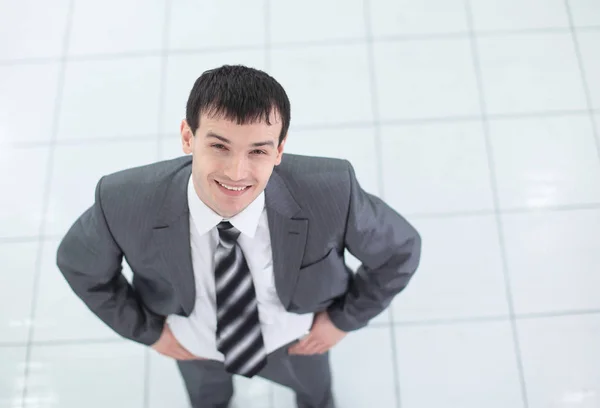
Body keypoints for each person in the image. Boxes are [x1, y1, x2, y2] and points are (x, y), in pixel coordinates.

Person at [56, 64, 422, 408]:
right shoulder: (122, 200)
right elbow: (80, 266)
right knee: (208, 401)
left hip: (296, 339)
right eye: (219, 146)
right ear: (188, 136)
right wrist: (148, 332)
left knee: (316, 396)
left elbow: (399, 251)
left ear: (279, 150)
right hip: (195, 343)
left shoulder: (332, 190)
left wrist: (344, 319)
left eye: (258, 150)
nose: (237, 172)